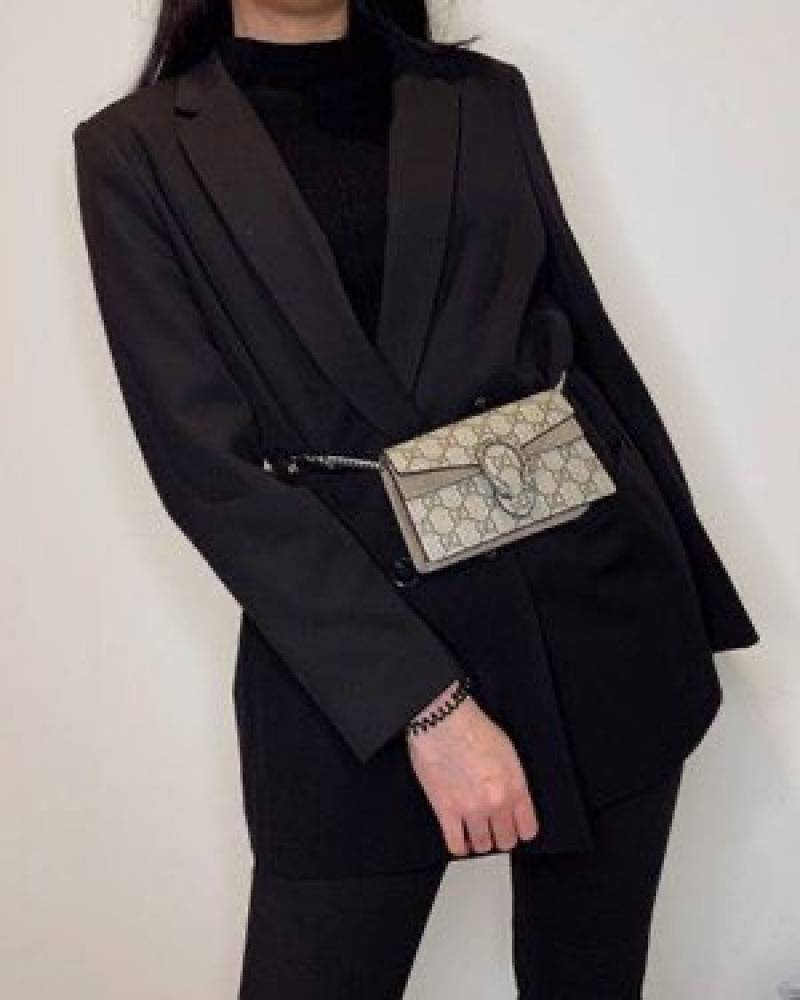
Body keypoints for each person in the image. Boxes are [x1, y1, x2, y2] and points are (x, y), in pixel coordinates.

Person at [72, 1, 760, 996]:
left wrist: (690, 598)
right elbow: (205, 469)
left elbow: (581, 334)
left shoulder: (483, 97)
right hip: (357, 658)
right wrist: (425, 707)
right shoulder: (133, 150)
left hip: (592, 614)